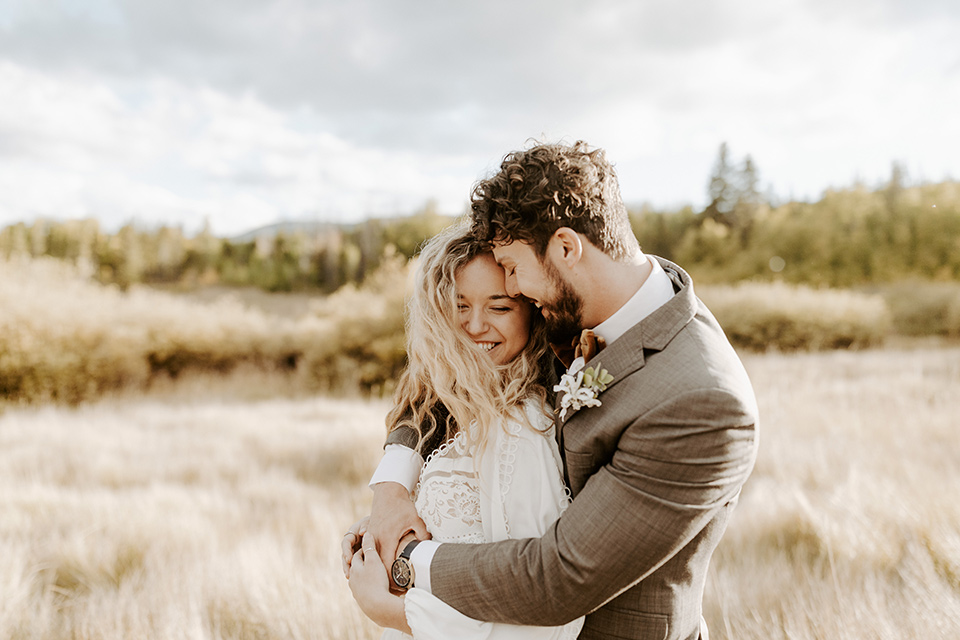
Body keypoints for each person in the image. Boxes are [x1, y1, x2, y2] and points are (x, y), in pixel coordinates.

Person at [345, 140, 760, 640]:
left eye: (515, 270)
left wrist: (403, 563)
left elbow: (559, 578)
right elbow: (441, 377)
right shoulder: (572, 311)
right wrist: (391, 492)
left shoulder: (701, 401)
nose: (513, 290)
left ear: (566, 248)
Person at [346, 223, 585, 640]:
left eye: (499, 307)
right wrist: (377, 536)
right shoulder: (460, 406)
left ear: (531, 312)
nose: (475, 326)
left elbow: (539, 609)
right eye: (460, 306)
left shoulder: (519, 427)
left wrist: (387, 608)